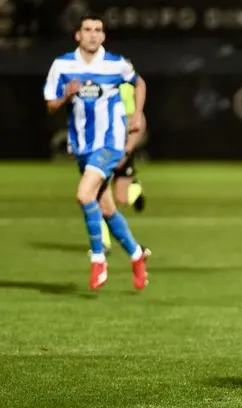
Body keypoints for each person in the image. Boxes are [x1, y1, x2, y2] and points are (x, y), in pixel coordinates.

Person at [43, 14, 150, 290]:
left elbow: (139, 83)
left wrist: (137, 115)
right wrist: (66, 95)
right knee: (106, 207)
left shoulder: (116, 63)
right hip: (82, 146)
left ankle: (98, 259)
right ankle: (137, 256)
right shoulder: (62, 65)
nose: (93, 34)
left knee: (83, 195)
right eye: (87, 30)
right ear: (77, 35)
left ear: (103, 36)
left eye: (98, 30)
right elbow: (50, 106)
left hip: (110, 142)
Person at [100, 82, 148, 252]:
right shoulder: (98, 87)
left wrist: (126, 151)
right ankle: (103, 243)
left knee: (122, 199)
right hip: (104, 148)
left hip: (123, 147)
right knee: (97, 194)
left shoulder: (127, 87)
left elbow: (138, 122)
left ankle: (135, 189)